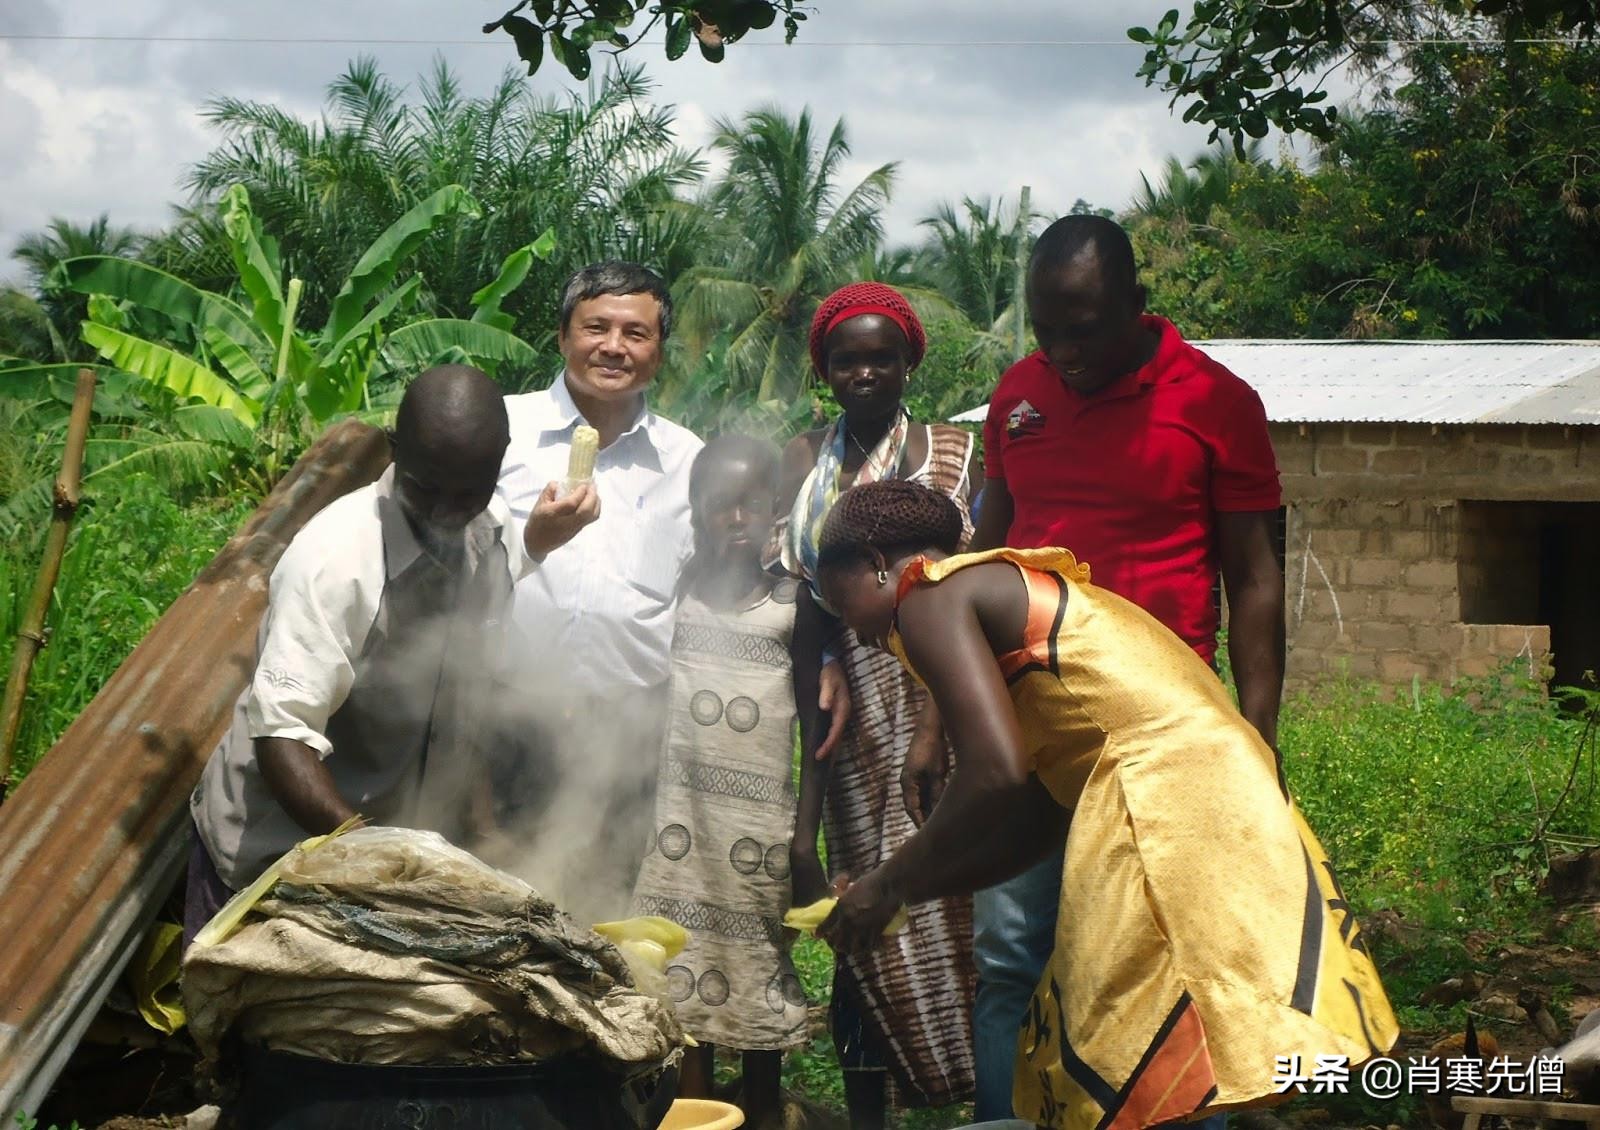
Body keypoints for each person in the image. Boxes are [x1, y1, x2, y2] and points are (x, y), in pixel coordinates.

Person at [813, 480, 1397, 1130]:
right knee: (1171, 1042)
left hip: (1164, 794)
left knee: (1117, 1047)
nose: (857, 634)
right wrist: (899, 893)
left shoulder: (930, 594)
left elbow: (994, 772)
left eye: (841, 605)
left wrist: (890, 879)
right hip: (1210, 783)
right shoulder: (997, 595)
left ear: (874, 563)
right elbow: (1038, 817)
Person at [904, 215, 1288, 1121]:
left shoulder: (1215, 400)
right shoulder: (1018, 397)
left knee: (1168, 965)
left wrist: (1257, 742)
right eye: (1045, 328)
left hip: (1162, 739)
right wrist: (933, 717)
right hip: (1031, 725)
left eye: (1084, 328)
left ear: (1137, 308)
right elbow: (977, 565)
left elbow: (1256, 583)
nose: (1063, 351)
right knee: (1011, 952)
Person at [187, 365, 527, 946]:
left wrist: (482, 831)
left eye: (469, 491)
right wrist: (374, 857)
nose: (448, 511)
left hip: (383, 848)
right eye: (426, 489)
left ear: (500, 463)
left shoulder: (490, 539)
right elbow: (284, 738)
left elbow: (470, 701)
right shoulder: (335, 560)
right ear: (394, 452)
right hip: (272, 852)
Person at [773, 282, 977, 1126]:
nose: (864, 372)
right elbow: (799, 599)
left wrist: (935, 716)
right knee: (861, 912)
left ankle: (978, 1096)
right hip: (847, 702)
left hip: (942, 692)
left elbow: (969, 581)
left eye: (881, 357)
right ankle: (869, 1115)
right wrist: (822, 662)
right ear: (825, 368)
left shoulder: (957, 452)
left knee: (958, 901)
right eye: (846, 359)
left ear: (908, 362)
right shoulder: (799, 459)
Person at [628, 435, 821, 1130]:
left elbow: (817, 733)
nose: (736, 518)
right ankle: (696, 1115)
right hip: (675, 826)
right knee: (682, 993)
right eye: (719, 506)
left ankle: (765, 1112)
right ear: (695, 511)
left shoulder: (795, 607)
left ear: (775, 509)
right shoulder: (670, 599)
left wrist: (805, 841)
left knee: (755, 972)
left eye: (751, 504)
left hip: (756, 834)